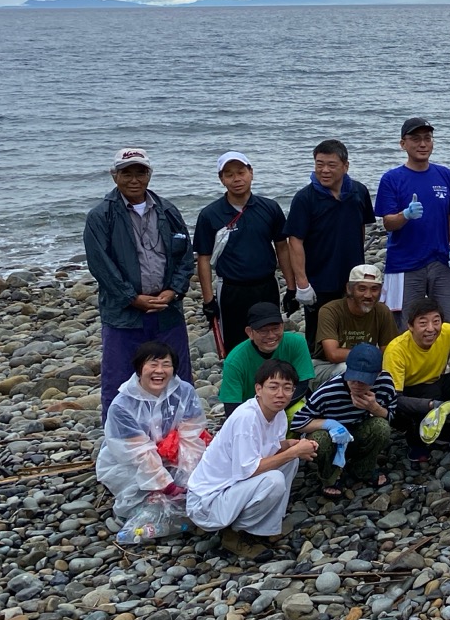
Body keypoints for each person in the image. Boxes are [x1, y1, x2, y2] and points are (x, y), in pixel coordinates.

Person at [84, 148, 194, 420]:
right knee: (119, 379)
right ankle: (119, 440)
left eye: (140, 172)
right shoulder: (101, 216)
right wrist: (131, 297)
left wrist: (174, 291)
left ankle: (182, 434)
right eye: (127, 173)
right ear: (114, 176)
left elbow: (184, 256)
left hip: (167, 311)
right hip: (124, 315)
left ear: (149, 174)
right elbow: (101, 266)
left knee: (176, 376)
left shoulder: (168, 211)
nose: (134, 179)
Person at [187, 358, 318, 557]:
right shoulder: (246, 418)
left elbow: (268, 446)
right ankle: (235, 533)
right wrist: (293, 451)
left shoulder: (279, 414)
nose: (280, 394)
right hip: (208, 501)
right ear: (258, 389)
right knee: (274, 480)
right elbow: (248, 470)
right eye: (273, 387)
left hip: (231, 488)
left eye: (287, 388)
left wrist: (292, 446)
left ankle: (264, 529)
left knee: (290, 460)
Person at [95, 341, 209, 526]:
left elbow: (192, 435)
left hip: (172, 454)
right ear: (139, 368)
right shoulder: (122, 405)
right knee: (143, 497)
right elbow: (137, 451)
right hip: (128, 462)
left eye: (166, 365)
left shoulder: (184, 392)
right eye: (153, 364)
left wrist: (190, 475)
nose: (160, 371)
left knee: (198, 486)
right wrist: (166, 485)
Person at [194, 152, 294, 355]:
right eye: (229, 174)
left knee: (270, 340)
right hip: (232, 289)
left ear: (251, 173)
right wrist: (208, 301)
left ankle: (271, 383)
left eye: (241, 172)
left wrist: (291, 288)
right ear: (221, 179)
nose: (236, 179)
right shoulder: (209, 214)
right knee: (236, 347)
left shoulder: (270, 208)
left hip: (266, 286)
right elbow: (203, 259)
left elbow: (282, 246)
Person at [284, 139, 374, 353]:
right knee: (319, 339)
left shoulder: (359, 192)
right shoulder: (305, 198)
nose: (324, 170)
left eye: (331, 165)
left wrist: (359, 268)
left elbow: (360, 227)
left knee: (353, 333)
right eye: (319, 164)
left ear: (345, 166)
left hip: (352, 279)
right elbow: (294, 241)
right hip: (319, 280)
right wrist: (302, 283)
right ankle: (315, 381)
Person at [376, 118, 450, 326]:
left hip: (441, 260)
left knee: (448, 320)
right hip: (405, 262)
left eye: (427, 138)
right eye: (415, 139)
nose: (422, 144)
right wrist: (405, 215)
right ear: (403, 144)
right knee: (406, 322)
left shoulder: (446, 175)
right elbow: (388, 223)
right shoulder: (392, 179)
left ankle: (442, 359)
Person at [290, 343, 395, 495]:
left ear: (378, 374)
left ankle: (363, 469)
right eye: (353, 378)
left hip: (358, 433)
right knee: (319, 438)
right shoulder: (328, 391)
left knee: (382, 427)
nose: (357, 385)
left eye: (364, 380)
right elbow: (298, 422)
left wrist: (375, 408)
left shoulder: (385, 383)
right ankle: (330, 476)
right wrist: (329, 424)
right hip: (331, 439)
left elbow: (392, 415)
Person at [382, 296, 450, 461]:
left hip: (437, 383)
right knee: (416, 411)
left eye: (436, 321)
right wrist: (431, 405)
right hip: (410, 392)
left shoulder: (447, 331)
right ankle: (417, 442)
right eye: (423, 323)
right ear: (410, 326)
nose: (431, 329)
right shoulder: (396, 350)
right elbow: (394, 399)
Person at [218, 302, 315, 419]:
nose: (271, 335)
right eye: (263, 331)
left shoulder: (296, 343)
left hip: (287, 404)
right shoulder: (235, 360)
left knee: (299, 413)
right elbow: (231, 405)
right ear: (250, 332)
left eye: (276, 329)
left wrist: (276, 409)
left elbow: (302, 384)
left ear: (283, 326)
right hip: (251, 413)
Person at [313, 264, 398, 367]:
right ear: (349, 289)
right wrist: (371, 355)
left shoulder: (382, 311)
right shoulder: (330, 311)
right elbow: (333, 354)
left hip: (366, 364)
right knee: (345, 368)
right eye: (362, 289)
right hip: (327, 365)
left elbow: (389, 351)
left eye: (374, 289)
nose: (368, 295)